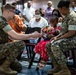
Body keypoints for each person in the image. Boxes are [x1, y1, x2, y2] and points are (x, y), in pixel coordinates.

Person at [0, 4, 42, 75]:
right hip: (1, 49)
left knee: (18, 67)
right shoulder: (2, 22)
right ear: (8, 12)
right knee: (20, 44)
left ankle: (2, 64)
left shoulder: (4, 21)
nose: (14, 14)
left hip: (2, 49)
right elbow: (16, 36)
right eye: (13, 12)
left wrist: (30, 36)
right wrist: (32, 35)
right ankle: (4, 67)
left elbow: (12, 37)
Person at [46, 0, 76, 75]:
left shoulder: (73, 16)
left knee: (55, 45)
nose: (60, 12)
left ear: (64, 8)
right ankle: (57, 66)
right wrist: (56, 37)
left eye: (60, 10)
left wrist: (58, 38)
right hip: (66, 38)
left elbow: (71, 32)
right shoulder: (66, 17)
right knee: (48, 45)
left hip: (73, 39)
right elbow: (63, 31)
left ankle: (65, 69)